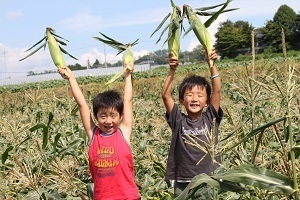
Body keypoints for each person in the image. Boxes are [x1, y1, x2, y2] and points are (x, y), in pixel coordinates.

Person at [58, 62, 140, 200]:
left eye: (113, 116)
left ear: (121, 116)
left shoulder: (123, 132)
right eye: (103, 116)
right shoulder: (94, 135)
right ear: (96, 117)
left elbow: (128, 100)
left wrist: (127, 76)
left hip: (128, 197)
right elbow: (82, 105)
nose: (108, 121)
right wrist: (71, 78)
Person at [161, 49, 223, 198]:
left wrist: (212, 64)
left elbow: (217, 91)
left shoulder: (210, 118)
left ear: (207, 101)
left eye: (200, 95)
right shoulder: (178, 120)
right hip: (183, 182)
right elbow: (165, 95)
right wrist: (172, 70)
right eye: (189, 95)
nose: (194, 99)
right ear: (181, 100)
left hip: (209, 180)